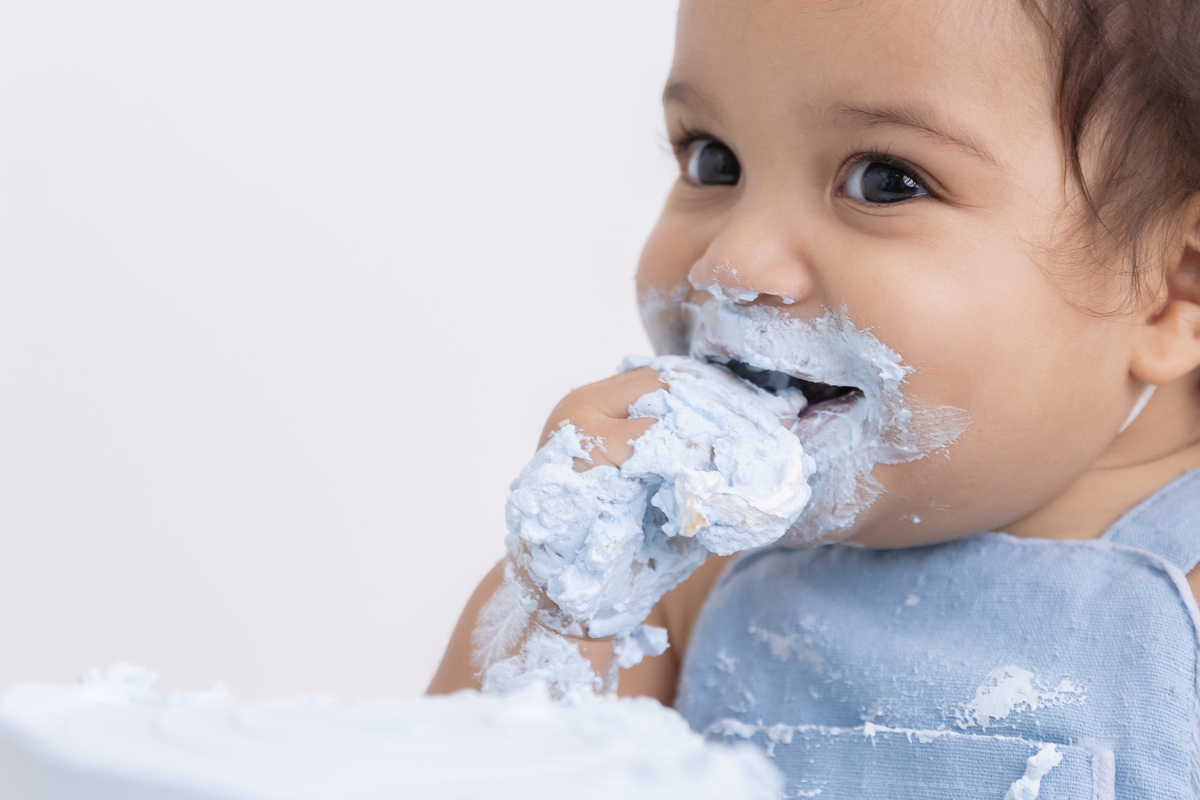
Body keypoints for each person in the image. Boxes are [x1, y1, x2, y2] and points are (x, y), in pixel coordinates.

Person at [430, 0, 1200, 796]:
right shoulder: (672, 590)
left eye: (885, 181)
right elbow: (468, 775)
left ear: (1174, 287)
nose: (730, 265)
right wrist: (568, 592)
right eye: (713, 162)